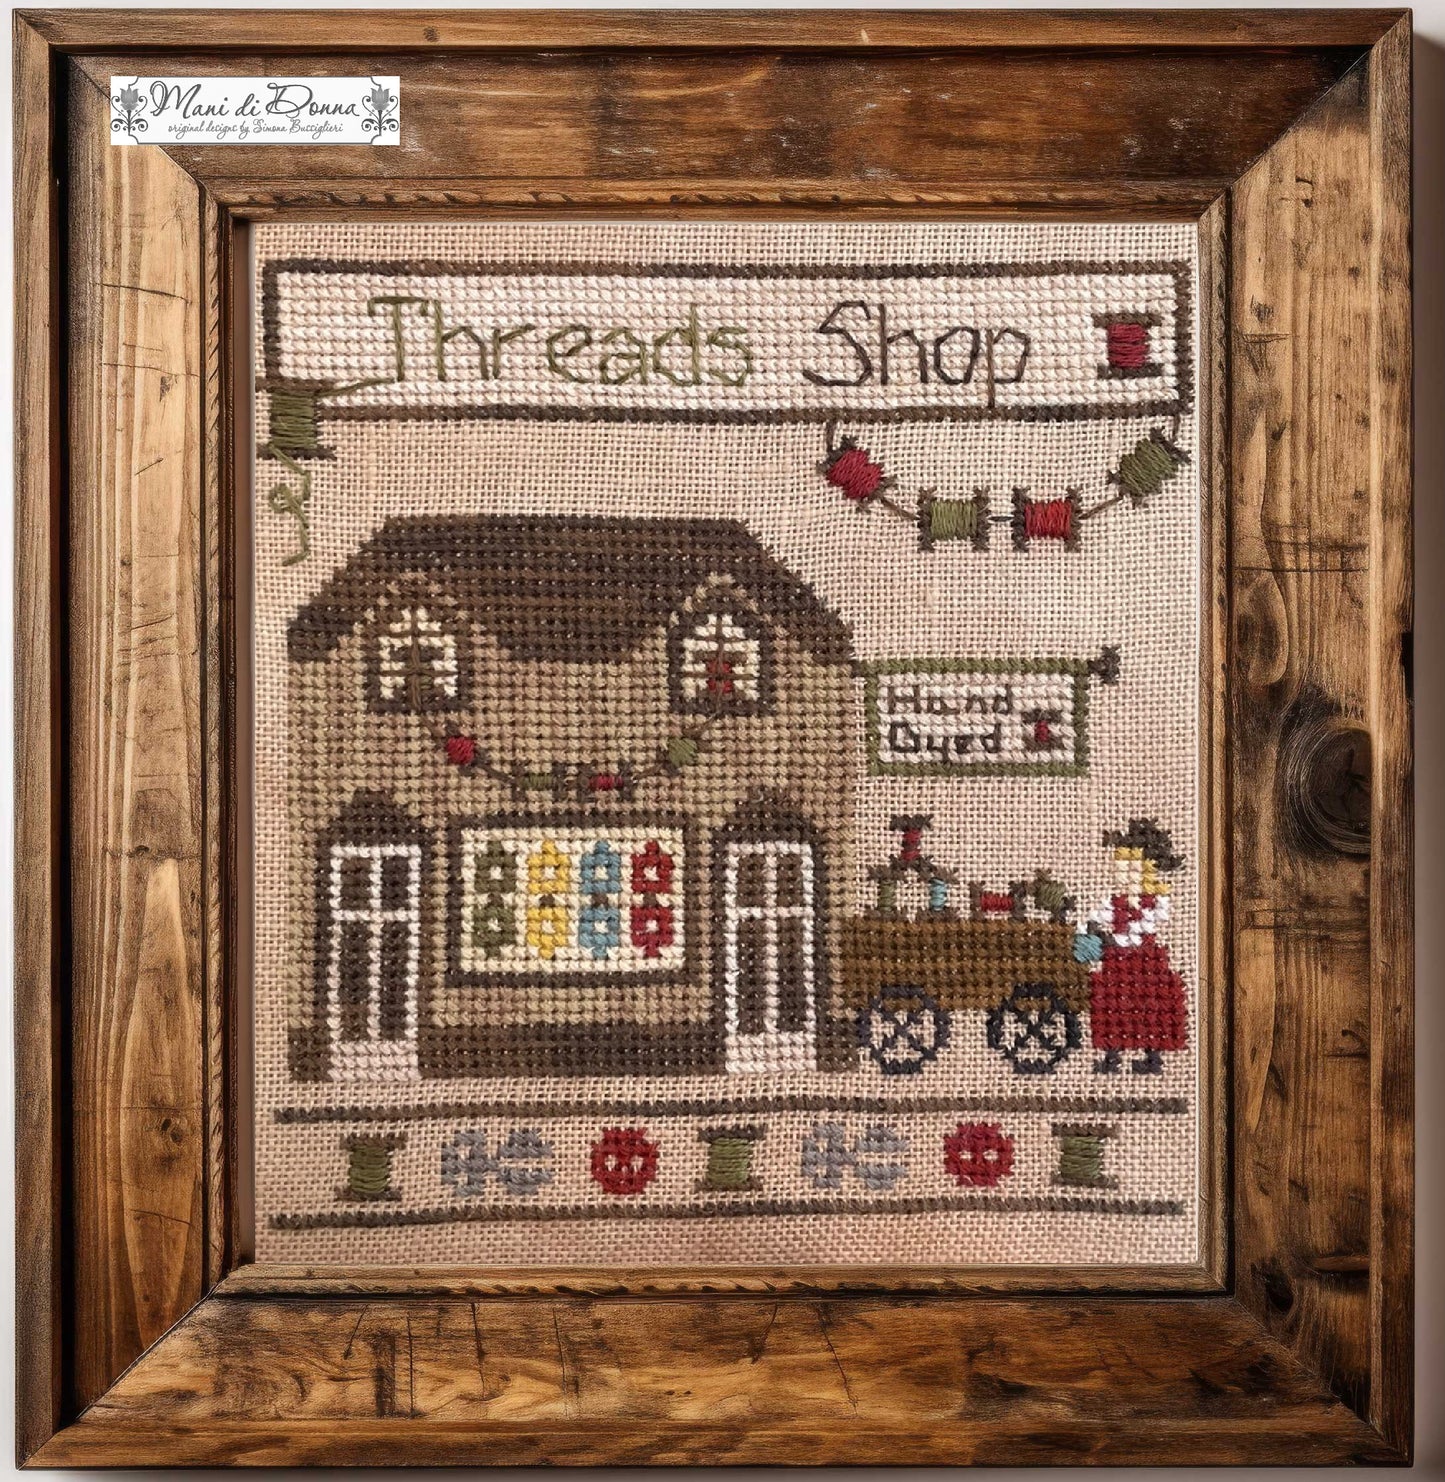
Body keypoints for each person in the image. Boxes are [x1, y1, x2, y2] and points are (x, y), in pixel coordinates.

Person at [1073, 820, 1187, 1074]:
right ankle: (1111, 1055)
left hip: (1145, 963)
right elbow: (1094, 920)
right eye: (1121, 866)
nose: (1121, 872)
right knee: (1110, 1007)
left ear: (1146, 869)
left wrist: (1110, 939)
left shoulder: (1153, 903)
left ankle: (1152, 1056)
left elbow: (1142, 929)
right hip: (1116, 964)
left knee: (1149, 1008)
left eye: (1128, 866)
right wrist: (1088, 932)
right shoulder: (1114, 902)